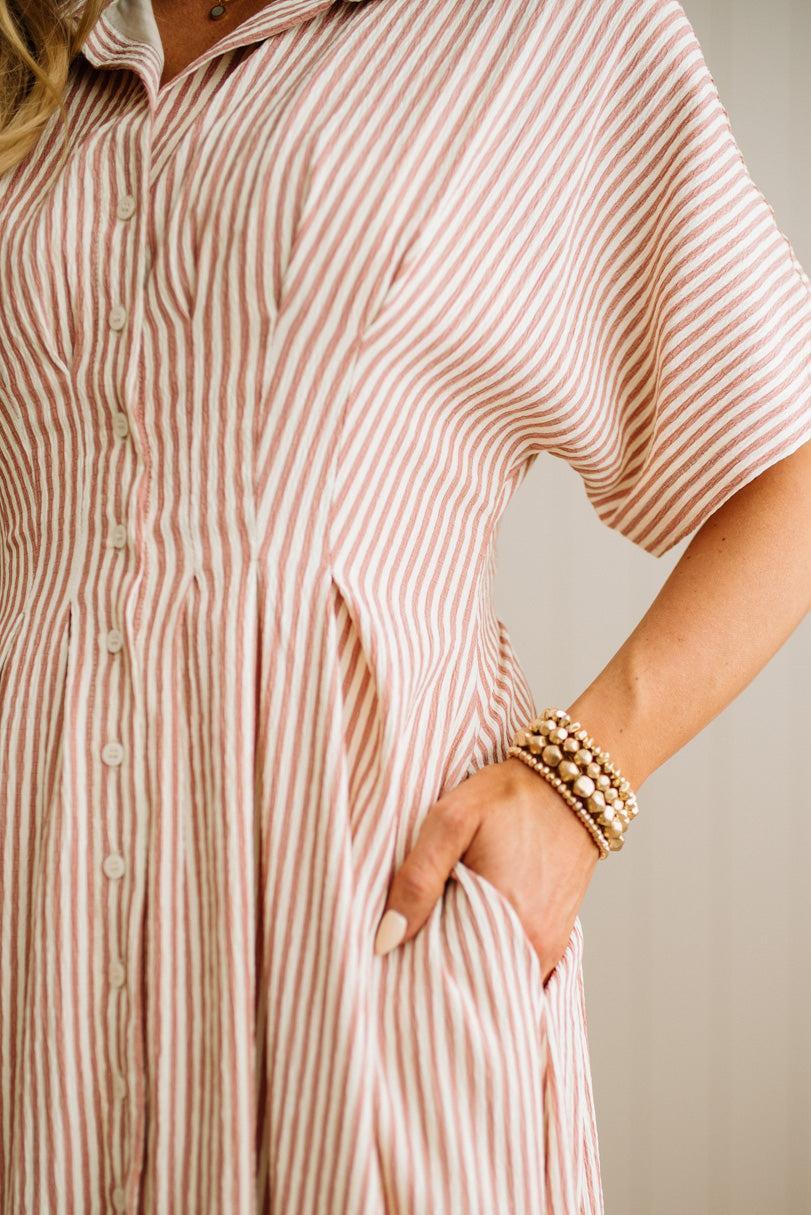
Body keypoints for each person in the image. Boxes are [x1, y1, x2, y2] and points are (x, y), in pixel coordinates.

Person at [1, 0, 809, 1210]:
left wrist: (576, 787)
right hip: (37, 934)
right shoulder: (36, 56)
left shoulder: (541, 30)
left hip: (368, 926)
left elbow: (786, 462)